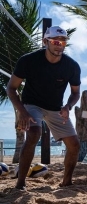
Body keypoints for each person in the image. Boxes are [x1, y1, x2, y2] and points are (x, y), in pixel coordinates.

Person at [7, 26, 81, 191]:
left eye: (63, 42)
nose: (59, 45)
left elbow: (75, 93)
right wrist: (23, 112)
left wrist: (68, 106)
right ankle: (20, 184)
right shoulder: (28, 60)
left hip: (56, 108)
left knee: (75, 144)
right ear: (45, 41)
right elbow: (11, 88)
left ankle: (67, 182)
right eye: (55, 41)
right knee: (34, 133)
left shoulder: (71, 66)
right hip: (32, 104)